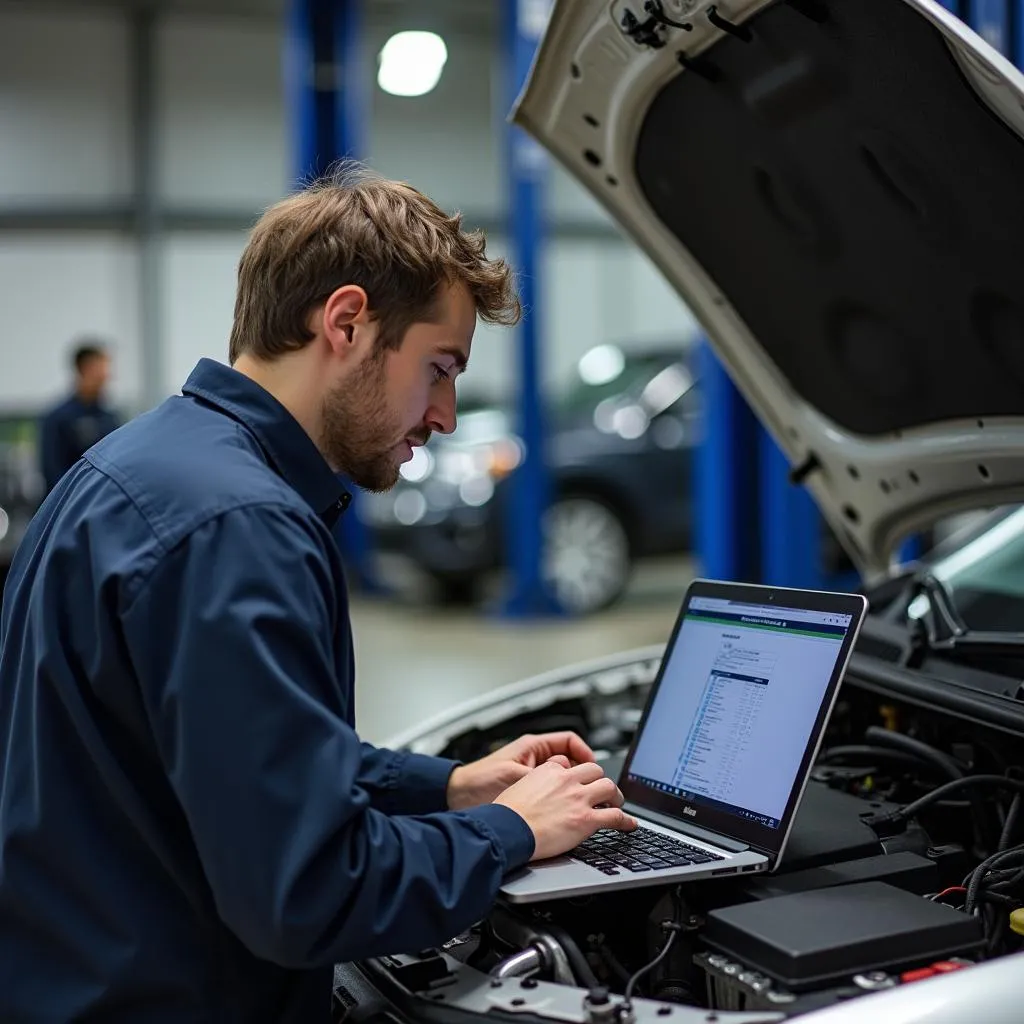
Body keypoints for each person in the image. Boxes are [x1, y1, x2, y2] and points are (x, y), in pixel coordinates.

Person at [0, 162, 636, 1024]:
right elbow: (308, 895)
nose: (446, 413)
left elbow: (233, 759)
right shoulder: (238, 528)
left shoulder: (136, 465)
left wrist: (450, 787)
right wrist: (513, 830)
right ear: (346, 322)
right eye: (440, 367)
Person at [37, 340, 120, 495]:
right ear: (84, 369)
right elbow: (52, 472)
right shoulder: (58, 418)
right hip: (69, 503)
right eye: (100, 369)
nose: (106, 376)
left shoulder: (110, 418)